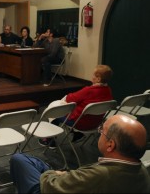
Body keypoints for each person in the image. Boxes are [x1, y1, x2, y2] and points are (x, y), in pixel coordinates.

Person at [10, 114, 150, 194]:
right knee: (37, 164)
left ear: (110, 144)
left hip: (51, 187)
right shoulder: (141, 171)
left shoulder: (101, 175)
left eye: (102, 130)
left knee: (19, 160)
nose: (99, 132)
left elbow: (49, 186)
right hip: (76, 183)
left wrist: (53, 174)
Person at [39, 65, 114, 147]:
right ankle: (77, 134)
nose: (91, 76)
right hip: (95, 123)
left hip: (80, 123)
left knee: (55, 112)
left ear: (98, 79)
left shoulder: (89, 90)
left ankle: (49, 140)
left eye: (93, 75)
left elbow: (70, 98)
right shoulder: (108, 90)